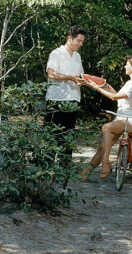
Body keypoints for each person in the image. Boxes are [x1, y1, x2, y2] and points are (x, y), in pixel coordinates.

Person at [81, 55, 132, 180]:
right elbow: (117, 95)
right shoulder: (129, 83)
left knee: (106, 127)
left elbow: (113, 98)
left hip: (130, 120)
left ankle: (105, 163)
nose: (124, 66)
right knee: (103, 147)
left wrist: (97, 87)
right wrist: (105, 86)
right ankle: (84, 173)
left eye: (126, 64)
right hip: (121, 117)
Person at [45, 26, 86, 163]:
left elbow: (79, 76)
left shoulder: (78, 56)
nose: (81, 44)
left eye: (82, 42)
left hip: (73, 100)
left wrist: (82, 81)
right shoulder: (56, 53)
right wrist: (71, 78)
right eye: (79, 41)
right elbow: (51, 74)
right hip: (56, 100)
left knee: (68, 138)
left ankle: (65, 171)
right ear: (70, 38)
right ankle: (47, 171)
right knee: (52, 137)